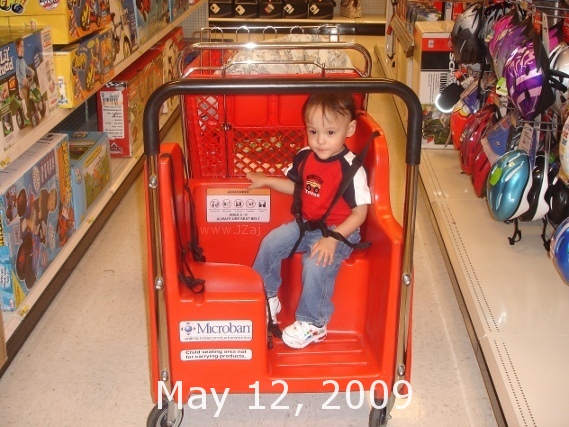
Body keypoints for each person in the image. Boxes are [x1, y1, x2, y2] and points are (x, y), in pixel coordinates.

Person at [246, 93, 372, 349]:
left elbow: (360, 214)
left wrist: (332, 239)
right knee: (271, 243)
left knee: (315, 262)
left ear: (349, 129)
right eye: (313, 131)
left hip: (340, 231)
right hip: (307, 225)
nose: (320, 140)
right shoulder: (305, 156)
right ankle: (267, 297)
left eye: (330, 132)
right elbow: (297, 187)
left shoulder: (352, 168)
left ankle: (314, 323)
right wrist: (266, 180)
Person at [15, 38, 34, 122]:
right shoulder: (17, 62)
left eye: (23, 46)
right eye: (21, 46)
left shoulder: (23, 60)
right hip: (22, 87)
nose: (23, 48)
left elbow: (26, 68)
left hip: (27, 84)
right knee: (24, 99)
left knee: (33, 90)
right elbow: (18, 74)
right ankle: (26, 115)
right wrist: (22, 79)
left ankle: (37, 105)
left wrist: (31, 71)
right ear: (17, 49)